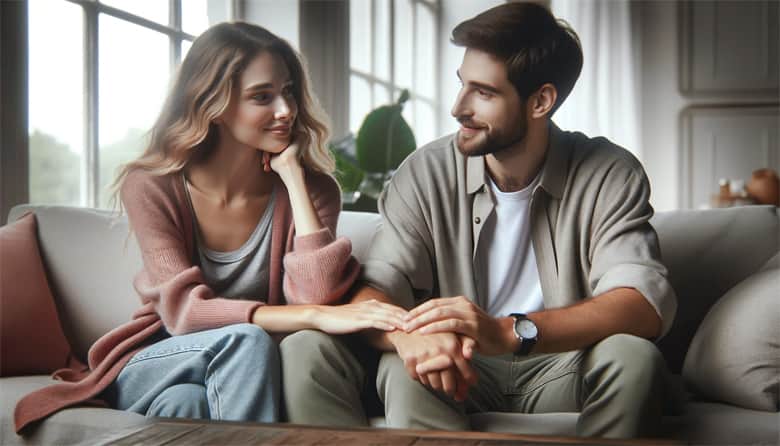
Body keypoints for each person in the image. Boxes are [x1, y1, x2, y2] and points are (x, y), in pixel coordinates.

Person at [281, 3, 677, 439]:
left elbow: (642, 304)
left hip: (565, 363)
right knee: (396, 364)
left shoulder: (609, 172)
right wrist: (408, 337)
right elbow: (376, 287)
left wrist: (508, 333)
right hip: (459, 367)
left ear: (541, 101)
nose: (457, 108)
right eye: (461, 85)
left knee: (635, 358)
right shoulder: (425, 171)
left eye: (483, 92)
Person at [14, 22, 406, 433]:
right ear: (214, 104)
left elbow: (319, 293)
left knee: (184, 403)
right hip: (161, 356)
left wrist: (293, 178)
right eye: (262, 97)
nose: (285, 110)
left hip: (238, 375)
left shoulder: (314, 189)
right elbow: (184, 312)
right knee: (246, 340)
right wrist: (315, 317)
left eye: (288, 91)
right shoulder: (152, 185)